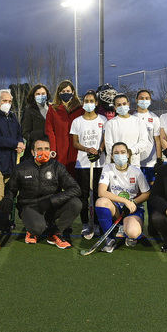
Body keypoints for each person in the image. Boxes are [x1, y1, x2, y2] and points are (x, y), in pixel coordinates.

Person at [5, 135, 82, 249]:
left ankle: (55, 233)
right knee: (38, 228)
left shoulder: (57, 167)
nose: (44, 152)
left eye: (46, 149)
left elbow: (76, 189)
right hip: (30, 208)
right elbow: (10, 190)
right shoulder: (21, 168)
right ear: (32, 152)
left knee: (76, 203)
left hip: (51, 206)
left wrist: (53, 200)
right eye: (39, 149)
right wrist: (6, 206)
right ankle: (32, 230)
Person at [95, 142, 150, 252]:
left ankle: (127, 229)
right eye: (116, 153)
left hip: (132, 210)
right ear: (111, 156)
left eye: (123, 152)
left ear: (128, 154)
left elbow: (146, 193)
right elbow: (101, 192)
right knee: (101, 202)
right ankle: (110, 239)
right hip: (116, 208)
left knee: (133, 232)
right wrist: (125, 201)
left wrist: (133, 202)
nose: (119, 155)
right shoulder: (107, 168)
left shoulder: (136, 171)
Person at [70, 90, 106, 238]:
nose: (88, 104)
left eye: (91, 101)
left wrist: (99, 150)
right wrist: (87, 149)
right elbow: (75, 143)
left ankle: (97, 224)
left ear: (96, 103)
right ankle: (85, 224)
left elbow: (105, 139)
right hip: (83, 164)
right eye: (86, 101)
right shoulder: (77, 121)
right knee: (83, 196)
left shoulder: (103, 119)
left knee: (98, 195)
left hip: (100, 164)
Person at [45, 80, 84, 176]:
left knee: (75, 177)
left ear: (73, 92)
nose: (65, 93)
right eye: (63, 92)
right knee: (58, 175)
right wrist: (53, 148)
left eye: (68, 91)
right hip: (60, 148)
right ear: (59, 93)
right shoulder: (53, 109)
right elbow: (49, 130)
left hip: (76, 148)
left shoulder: (80, 109)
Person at [104, 93, 150, 167]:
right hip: (114, 164)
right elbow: (108, 145)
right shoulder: (110, 123)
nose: (122, 106)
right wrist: (119, 155)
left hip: (134, 163)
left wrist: (130, 151)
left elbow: (144, 142)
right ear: (115, 107)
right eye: (119, 105)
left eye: (124, 103)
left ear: (128, 104)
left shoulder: (139, 122)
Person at [134, 89, 162, 184]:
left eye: (147, 98)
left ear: (150, 100)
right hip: (135, 161)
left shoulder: (154, 118)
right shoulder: (131, 117)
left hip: (150, 162)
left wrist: (159, 159)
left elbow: (157, 141)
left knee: (151, 191)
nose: (144, 100)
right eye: (141, 98)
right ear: (136, 100)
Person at [21, 84, 50, 154]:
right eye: (38, 94)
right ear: (33, 96)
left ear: (47, 95)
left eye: (43, 93)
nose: (41, 96)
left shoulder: (53, 108)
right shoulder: (29, 111)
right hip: (35, 149)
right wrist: (42, 134)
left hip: (51, 148)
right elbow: (25, 133)